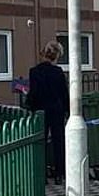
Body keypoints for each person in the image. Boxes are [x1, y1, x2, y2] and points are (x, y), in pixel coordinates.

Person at [26, 41, 69, 185]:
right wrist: (67, 110)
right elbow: (64, 93)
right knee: (58, 142)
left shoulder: (35, 71)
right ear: (56, 56)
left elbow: (34, 93)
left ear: (43, 54)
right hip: (56, 110)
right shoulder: (58, 72)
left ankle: (42, 174)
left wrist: (30, 107)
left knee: (41, 142)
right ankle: (59, 174)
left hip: (41, 110)